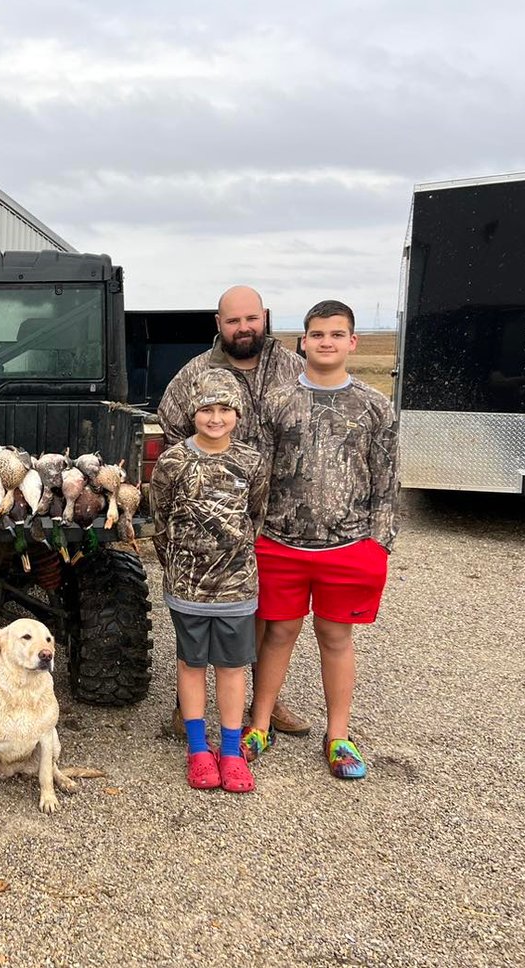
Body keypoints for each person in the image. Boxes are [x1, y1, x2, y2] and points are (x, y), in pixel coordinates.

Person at [245, 300, 399, 779]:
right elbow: (259, 474)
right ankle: (259, 722)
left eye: (336, 334)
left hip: (348, 546)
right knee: (278, 632)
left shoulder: (375, 406)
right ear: (303, 341)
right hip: (280, 543)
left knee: (335, 636)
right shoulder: (277, 402)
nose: (326, 342)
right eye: (317, 334)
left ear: (352, 342)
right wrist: (251, 535)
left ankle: (338, 735)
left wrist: (379, 543)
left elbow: (386, 480)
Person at [157, 285, 309, 737]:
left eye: (251, 319)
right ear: (218, 325)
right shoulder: (196, 372)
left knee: (261, 616)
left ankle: (265, 701)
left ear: (264, 317)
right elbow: (170, 430)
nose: (243, 328)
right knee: (201, 616)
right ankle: (189, 711)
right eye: (232, 320)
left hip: (277, 513)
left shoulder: (294, 370)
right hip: (210, 521)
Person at [151, 369, 268, 793]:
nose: (215, 418)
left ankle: (232, 751)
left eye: (224, 409)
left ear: (237, 413)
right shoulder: (173, 462)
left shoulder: (252, 462)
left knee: (233, 668)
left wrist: (233, 558)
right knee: (191, 664)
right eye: (206, 409)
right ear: (193, 413)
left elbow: (255, 516)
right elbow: (160, 520)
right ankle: (199, 749)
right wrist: (178, 566)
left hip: (237, 588)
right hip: (188, 589)